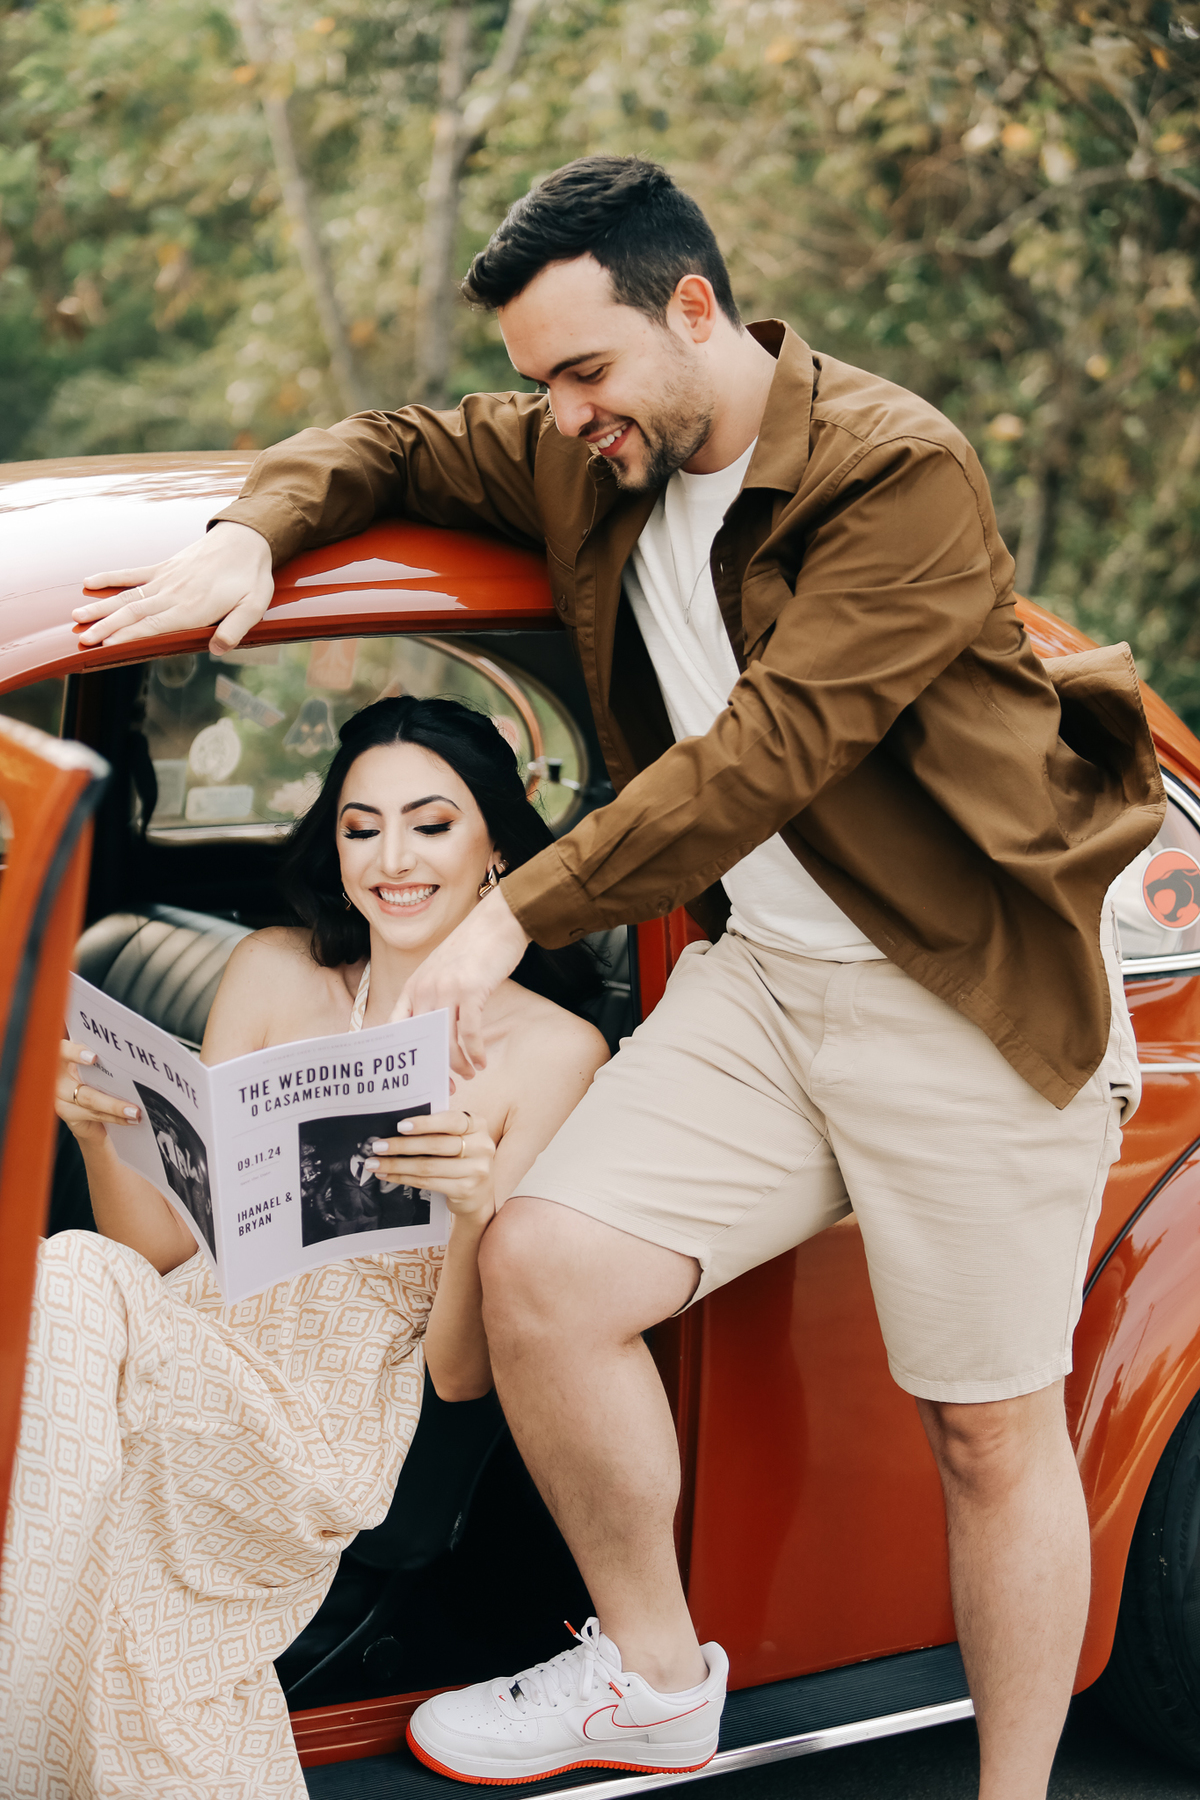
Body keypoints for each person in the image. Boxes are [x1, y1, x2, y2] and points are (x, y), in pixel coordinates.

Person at [73, 155, 1162, 1800]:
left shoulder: (897, 471)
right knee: (546, 1272)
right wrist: (247, 539)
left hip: (964, 996)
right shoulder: (590, 449)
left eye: (584, 372)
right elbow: (383, 446)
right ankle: (656, 1680)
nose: (563, 413)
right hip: (768, 986)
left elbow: (771, 753)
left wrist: (517, 915)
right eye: (539, 383)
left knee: (989, 1430)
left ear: (697, 309)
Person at [0, 696, 608, 1800]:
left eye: (431, 824)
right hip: (185, 1333)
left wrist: (474, 1211)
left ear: (498, 850)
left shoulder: (556, 1050)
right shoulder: (276, 971)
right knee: (81, 1273)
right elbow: (171, 1255)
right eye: (360, 826)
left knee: (73, 1316)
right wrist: (101, 1133)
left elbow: (461, 1375)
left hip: (321, 1418)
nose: (393, 857)